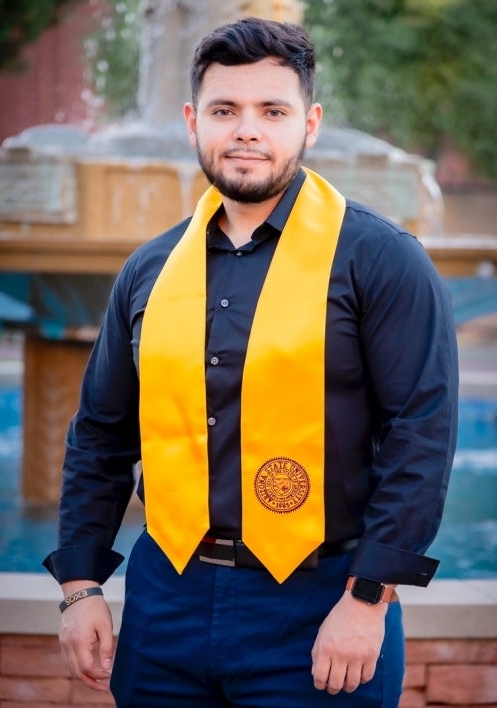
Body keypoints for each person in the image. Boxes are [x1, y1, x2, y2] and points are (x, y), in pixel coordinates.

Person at [43, 16, 458, 707]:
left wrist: (367, 600)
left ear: (311, 122)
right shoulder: (149, 270)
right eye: (225, 110)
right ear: (192, 120)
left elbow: (423, 435)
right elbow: (101, 435)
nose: (247, 131)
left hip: (319, 601)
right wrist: (80, 587)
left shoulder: (380, 260)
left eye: (273, 111)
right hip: (165, 607)